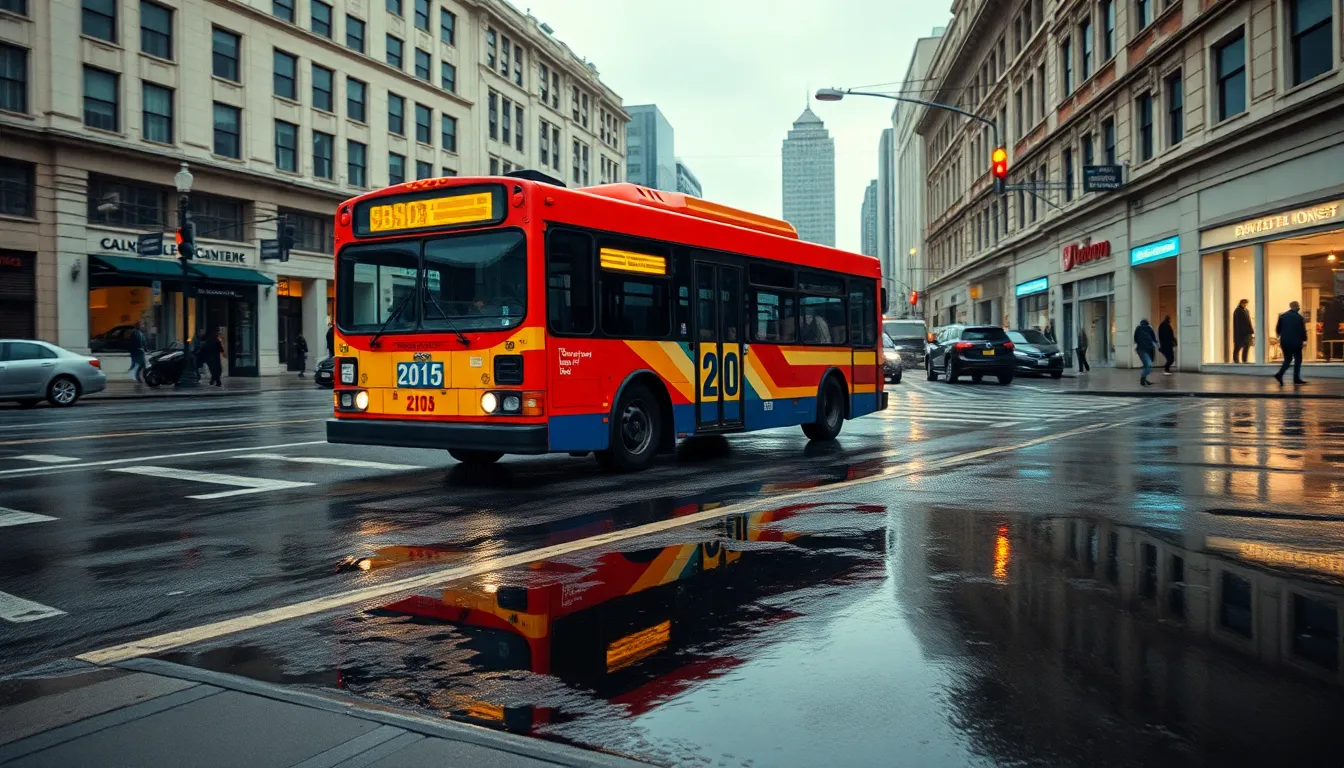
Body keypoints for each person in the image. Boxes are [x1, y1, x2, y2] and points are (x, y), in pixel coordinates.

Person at [1274, 301, 1308, 385]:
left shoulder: (1282, 316)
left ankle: (1280, 374)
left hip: (1285, 341)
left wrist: (1279, 335)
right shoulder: (1299, 318)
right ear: (1297, 307)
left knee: (1288, 359)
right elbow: (1302, 330)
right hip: (1296, 341)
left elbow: (1278, 328)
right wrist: (1304, 339)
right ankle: (1296, 378)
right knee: (1298, 359)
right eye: (1298, 306)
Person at [1133, 319, 1158, 387]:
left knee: (1147, 366)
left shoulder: (1138, 329)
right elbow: (1154, 339)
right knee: (1149, 366)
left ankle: (1144, 380)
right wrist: (1158, 346)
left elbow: (1135, 339)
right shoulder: (1149, 328)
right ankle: (1142, 379)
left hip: (1141, 350)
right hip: (1144, 350)